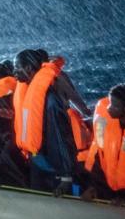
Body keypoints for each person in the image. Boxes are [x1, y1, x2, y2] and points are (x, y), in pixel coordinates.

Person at [13, 49, 81, 194]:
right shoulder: (30, 93)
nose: (14, 72)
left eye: (17, 67)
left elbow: (60, 137)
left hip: (53, 169)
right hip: (38, 163)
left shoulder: (50, 101)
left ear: (29, 68)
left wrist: (66, 177)